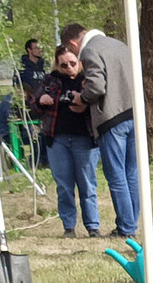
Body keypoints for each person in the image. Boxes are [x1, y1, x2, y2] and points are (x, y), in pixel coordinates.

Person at [61, 22, 139, 238]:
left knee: (116, 176)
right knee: (132, 173)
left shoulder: (90, 50)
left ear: (73, 42)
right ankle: (132, 222)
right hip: (135, 114)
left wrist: (82, 98)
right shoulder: (120, 45)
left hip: (112, 118)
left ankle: (126, 228)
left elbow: (96, 86)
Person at [38, 45, 100, 239]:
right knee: (64, 185)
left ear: (80, 61)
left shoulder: (89, 80)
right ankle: (69, 227)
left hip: (85, 138)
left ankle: (92, 226)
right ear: (58, 64)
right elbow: (33, 103)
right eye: (64, 65)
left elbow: (101, 103)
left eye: (73, 63)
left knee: (87, 184)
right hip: (58, 138)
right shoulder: (50, 80)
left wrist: (85, 104)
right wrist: (41, 99)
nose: (69, 68)